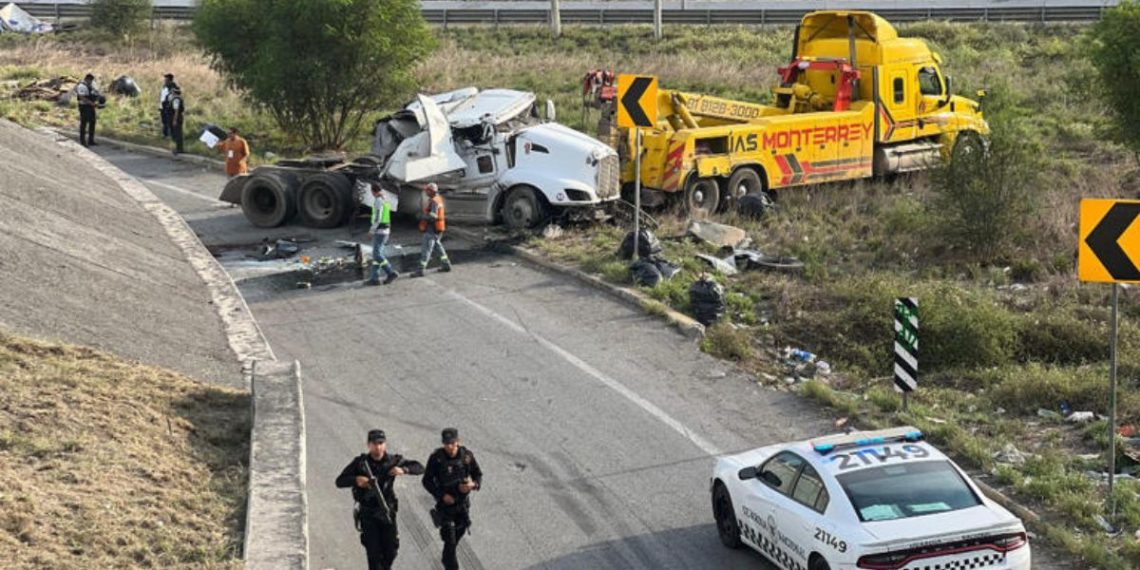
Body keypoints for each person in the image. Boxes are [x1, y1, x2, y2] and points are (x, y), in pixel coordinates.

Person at [335, 429, 424, 570]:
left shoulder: (392, 461)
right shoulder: (360, 463)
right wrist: (356, 480)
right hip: (368, 513)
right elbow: (340, 481)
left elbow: (419, 467)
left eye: (381, 443)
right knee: (373, 554)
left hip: (387, 511)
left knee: (391, 551)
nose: (378, 447)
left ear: (385, 444)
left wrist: (404, 470)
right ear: (368, 445)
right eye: (374, 443)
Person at [422, 428, 483, 570]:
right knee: (449, 542)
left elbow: (478, 474)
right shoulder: (436, 459)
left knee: (457, 535)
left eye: (452, 443)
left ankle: (446, 557)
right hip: (445, 507)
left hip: (462, 506)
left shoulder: (466, 456)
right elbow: (426, 481)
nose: (449, 446)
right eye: (446, 443)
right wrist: (442, 495)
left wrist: (473, 485)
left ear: (458, 442)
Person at [413, 183, 451, 278]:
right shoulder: (438, 199)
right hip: (438, 228)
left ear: (432, 191)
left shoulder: (434, 201)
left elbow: (433, 216)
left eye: (427, 190)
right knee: (438, 247)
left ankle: (420, 270)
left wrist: (421, 217)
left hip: (432, 228)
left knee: (426, 249)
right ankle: (446, 264)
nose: (426, 192)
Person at [366, 181, 399, 286]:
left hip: (380, 231)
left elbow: (377, 218)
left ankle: (390, 272)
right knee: (377, 254)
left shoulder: (378, 201)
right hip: (385, 230)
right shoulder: (385, 199)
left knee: (377, 254)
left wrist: (371, 231)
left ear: (373, 191)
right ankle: (374, 278)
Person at [75, 73, 98, 147]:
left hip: (91, 105)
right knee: (84, 123)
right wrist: (91, 103)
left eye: (91, 81)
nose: (91, 82)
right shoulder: (81, 86)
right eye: (90, 80)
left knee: (92, 122)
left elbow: (94, 93)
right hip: (84, 106)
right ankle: (83, 141)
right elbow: (82, 97)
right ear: (87, 79)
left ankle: (91, 140)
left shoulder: (92, 84)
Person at [169, 87, 185, 155]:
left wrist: (174, 120)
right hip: (178, 117)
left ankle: (179, 149)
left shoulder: (176, 99)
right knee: (177, 133)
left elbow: (176, 110)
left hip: (177, 118)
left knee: (177, 133)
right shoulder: (178, 98)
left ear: (174, 92)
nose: (171, 93)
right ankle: (179, 148)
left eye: (172, 92)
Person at [159, 73, 176, 138]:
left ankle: (169, 135)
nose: (165, 80)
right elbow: (162, 96)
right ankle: (165, 134)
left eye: (166, 79)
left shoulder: (172, 88)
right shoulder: (164, 86)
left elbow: (171, 98)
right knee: (164, 121)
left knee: (168, 121)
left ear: (170, 80)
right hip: (162, 106)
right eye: (165, 79)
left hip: (168, 107)